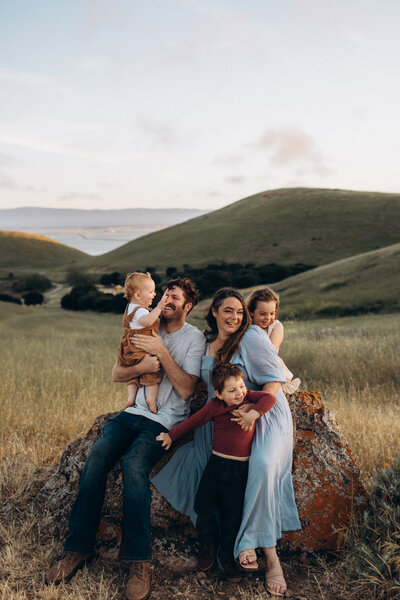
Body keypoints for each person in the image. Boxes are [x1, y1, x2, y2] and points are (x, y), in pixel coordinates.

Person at [45, 278, 206, 600]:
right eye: (164, 295)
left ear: (188, 306)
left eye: (174, 297)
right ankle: (76, 549)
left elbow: (188, 389)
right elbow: (117, 373)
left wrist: (160, 352)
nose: (166, 300)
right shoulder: (143, 323)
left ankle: (138, 562)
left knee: (134, 466)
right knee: (96, 459)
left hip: (164, 420)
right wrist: (143, 366)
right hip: (132, 413)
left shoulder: (194, 339)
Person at [152, 287, 301, 597]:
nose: (235, 316)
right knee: (203, 468)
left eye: (239, 311)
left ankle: (267, 556)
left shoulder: (251, 337)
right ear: (214, 313)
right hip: (219, 422)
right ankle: (215, 543)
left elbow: (274, 379)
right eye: (228, 311)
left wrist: (252, 410)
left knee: (260, 465)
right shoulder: (206, 343)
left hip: (264, 412)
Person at [156, 363, 277, 582]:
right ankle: (208, 544)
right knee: (203, 506)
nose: (239, 393)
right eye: (232, 391)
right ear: (219, 393)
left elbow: (271, 398)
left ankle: (227, 557)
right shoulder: (214, 405)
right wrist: (171, 436)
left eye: (240, 386)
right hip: (216, 465)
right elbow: (194, 421)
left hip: (239, 470)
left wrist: (253, 413)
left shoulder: (249, 397)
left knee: (232, 516)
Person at [117, 271, 169, 413]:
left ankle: (131, 397)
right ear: (138, 295)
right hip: (141, 347)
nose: (154, 294)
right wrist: (158, 308)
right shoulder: (141, 311)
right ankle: (151, 398)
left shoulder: (130, 307)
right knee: (152, 372)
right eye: (151, 291)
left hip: (128, 348)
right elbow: (147, 321)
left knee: (133, 376)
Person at [247, 287, 300, 395]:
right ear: (252, 312)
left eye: (272, 313)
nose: (268, 318)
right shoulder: (247, 327)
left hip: (270, 365)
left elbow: (270, 350)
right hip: (250, 366)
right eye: (263, 314)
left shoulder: (275, 326)